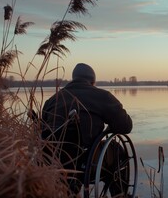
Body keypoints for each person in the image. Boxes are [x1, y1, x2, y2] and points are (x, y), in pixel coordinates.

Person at [41, 63, 132, 196]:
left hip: (53, 161)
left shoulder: (52, 100)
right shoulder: (103, 96)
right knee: (117, 149)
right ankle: (119, 195)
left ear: (73, 79)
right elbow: (126, 126)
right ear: (93, 81)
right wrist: (110, 128)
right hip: (88, 162)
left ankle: (69, 189)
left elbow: (41, 131)